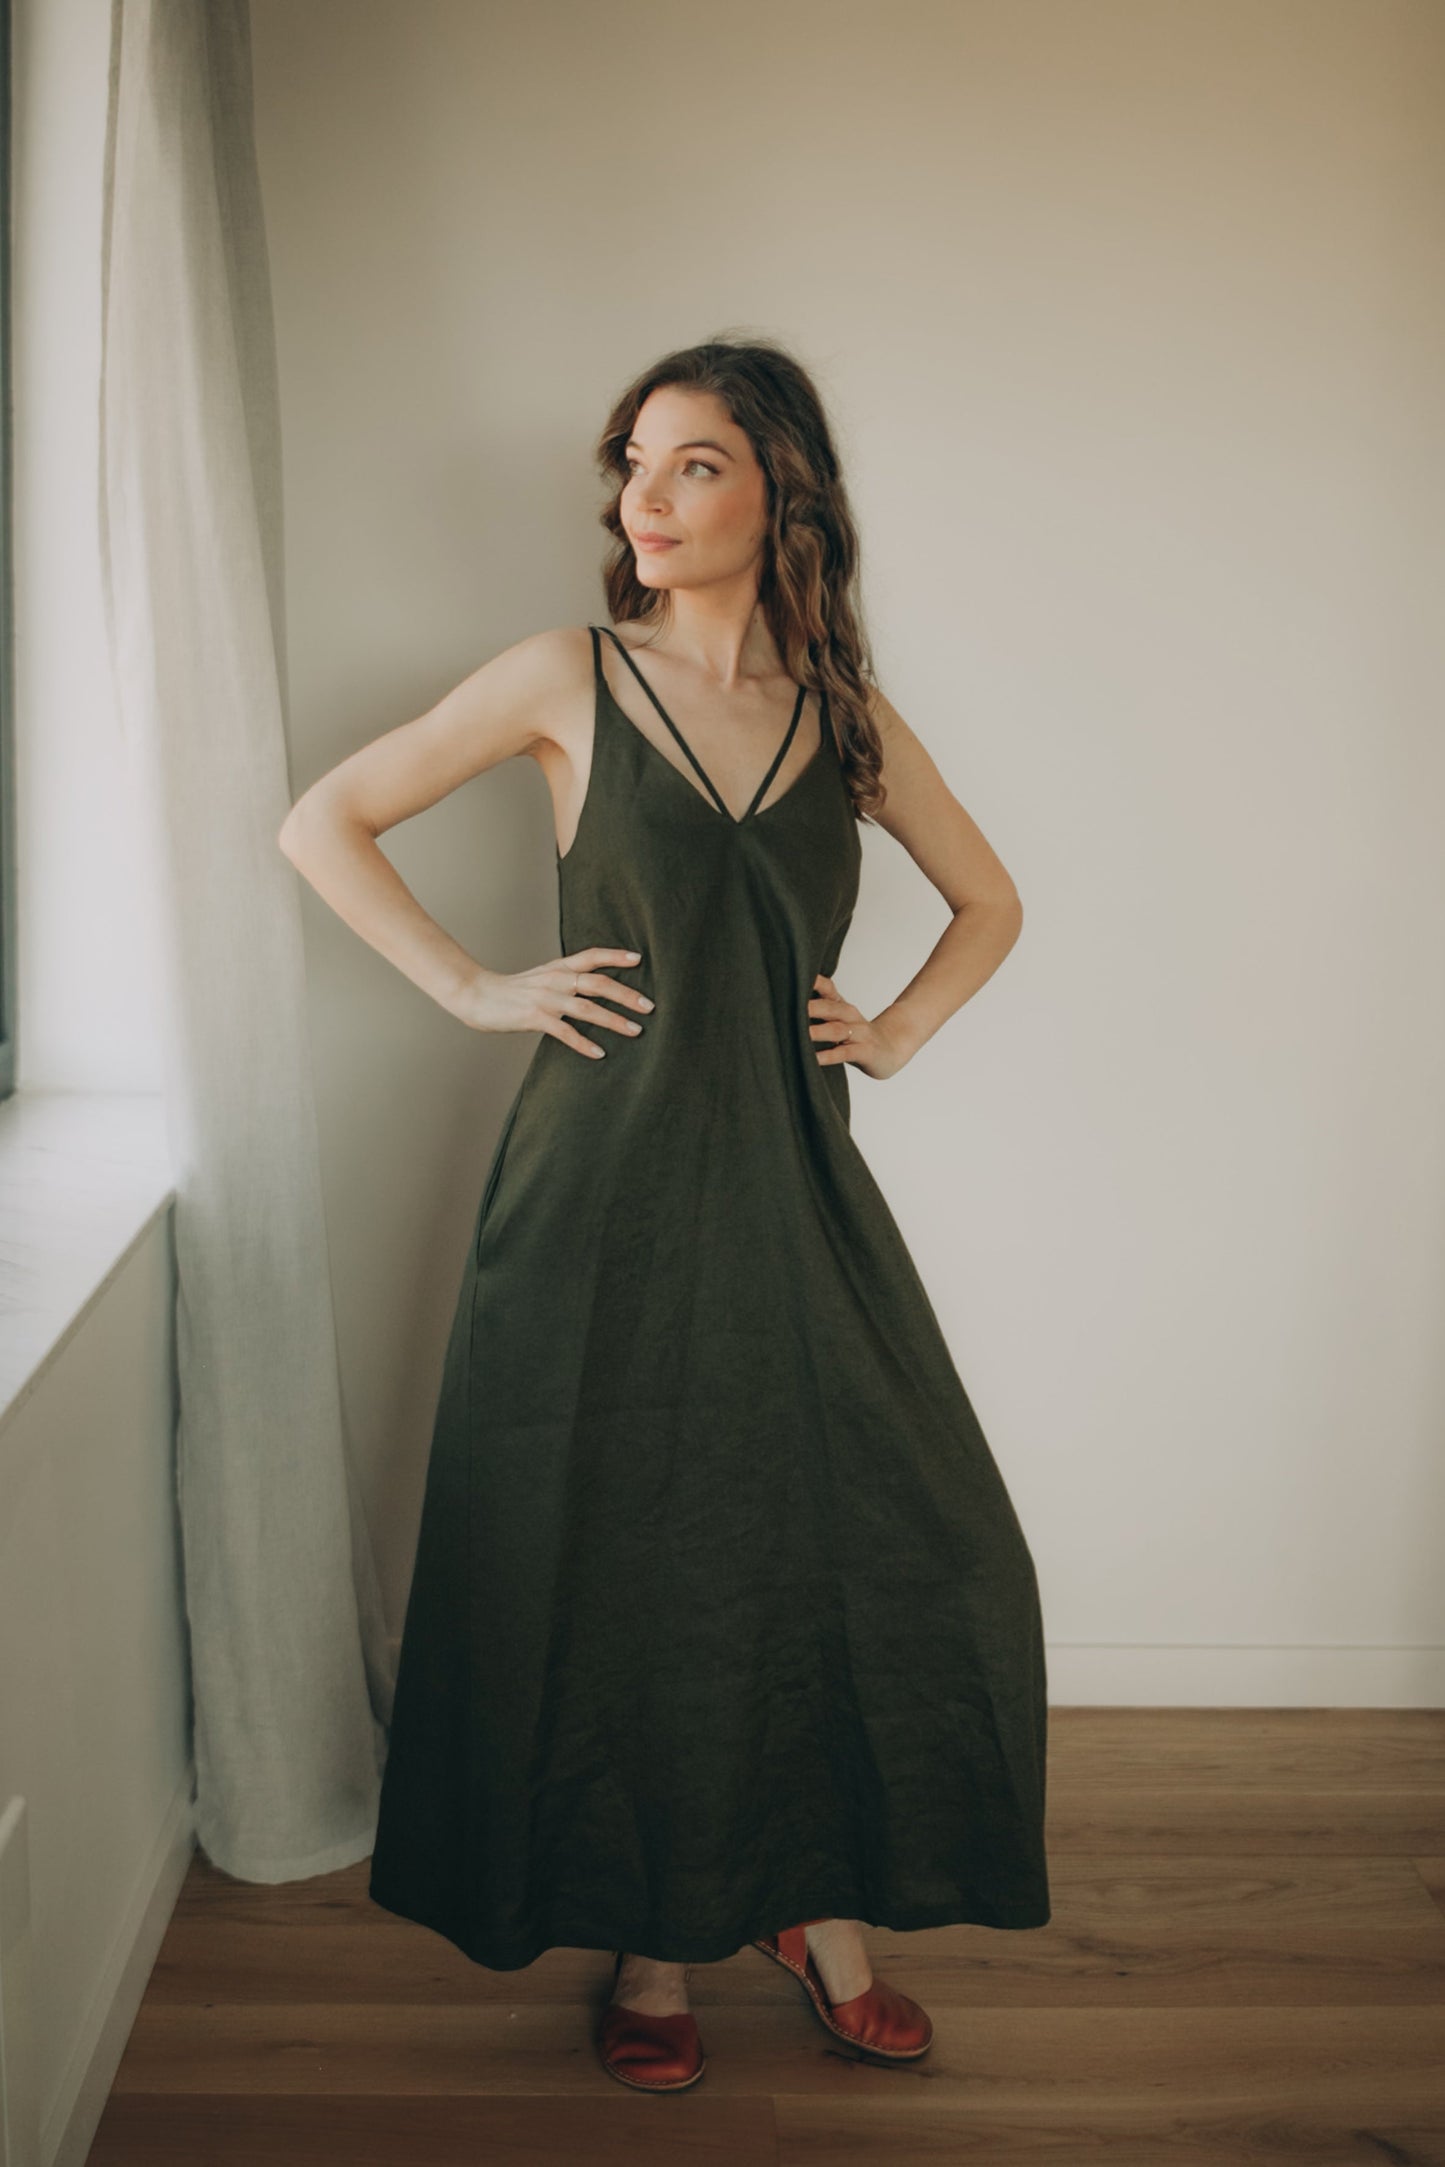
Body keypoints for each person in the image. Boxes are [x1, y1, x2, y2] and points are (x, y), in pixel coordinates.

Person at [278, 334, 1051, 2094]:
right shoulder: (568, 675)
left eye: (692, 461)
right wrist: (476, 988)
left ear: (781, 486)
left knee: (878, 1539)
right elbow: (325, 822)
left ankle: (819, 1903)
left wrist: (903, 1025)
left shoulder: (840, 717)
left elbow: (989, 899)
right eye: (631, 460)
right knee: (635, 1554)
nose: (643, 493)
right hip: (596, 1187)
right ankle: (653, 1936)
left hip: (789, 1180)